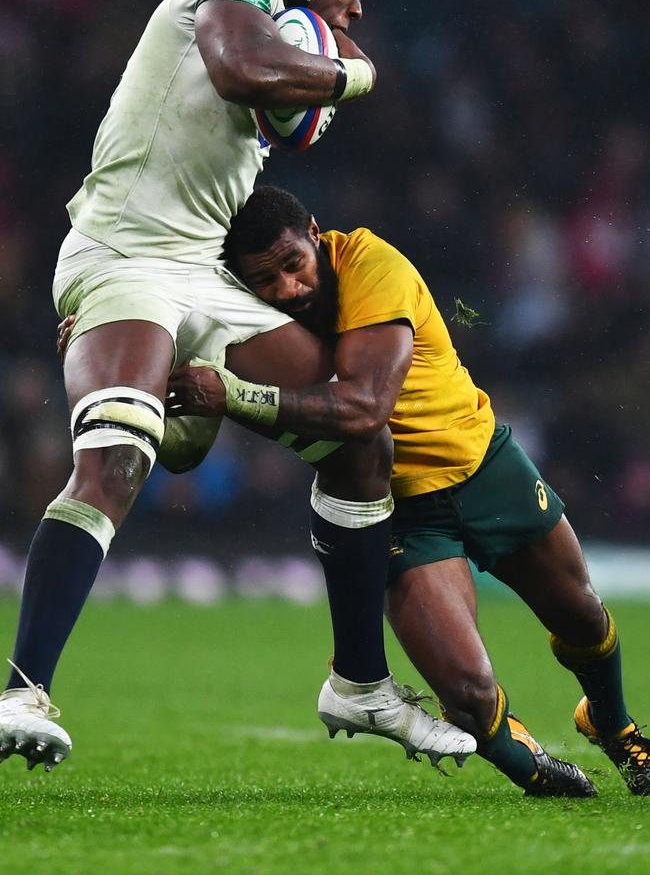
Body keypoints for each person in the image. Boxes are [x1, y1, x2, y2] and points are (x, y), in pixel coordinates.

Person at [0, 0, 475, 773]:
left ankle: (360, 685)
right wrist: (356, 76)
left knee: (357, 433)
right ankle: (23, 689)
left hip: (201, 276)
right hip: (125, 252)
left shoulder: (278, 43)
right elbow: (239, 69)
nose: (359, 8)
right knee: (120, 453)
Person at [162, 184, 650, 798]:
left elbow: (366, 408)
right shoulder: (235, 301)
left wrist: (231, 395)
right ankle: (534, 767)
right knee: (470, 698)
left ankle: (613, 723)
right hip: (401, 515)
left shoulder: (372, 264)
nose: (288, 289)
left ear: (316, 234)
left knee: (582, 615)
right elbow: (165, 309)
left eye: (294, 264)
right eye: (266, 280)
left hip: (482, 465)